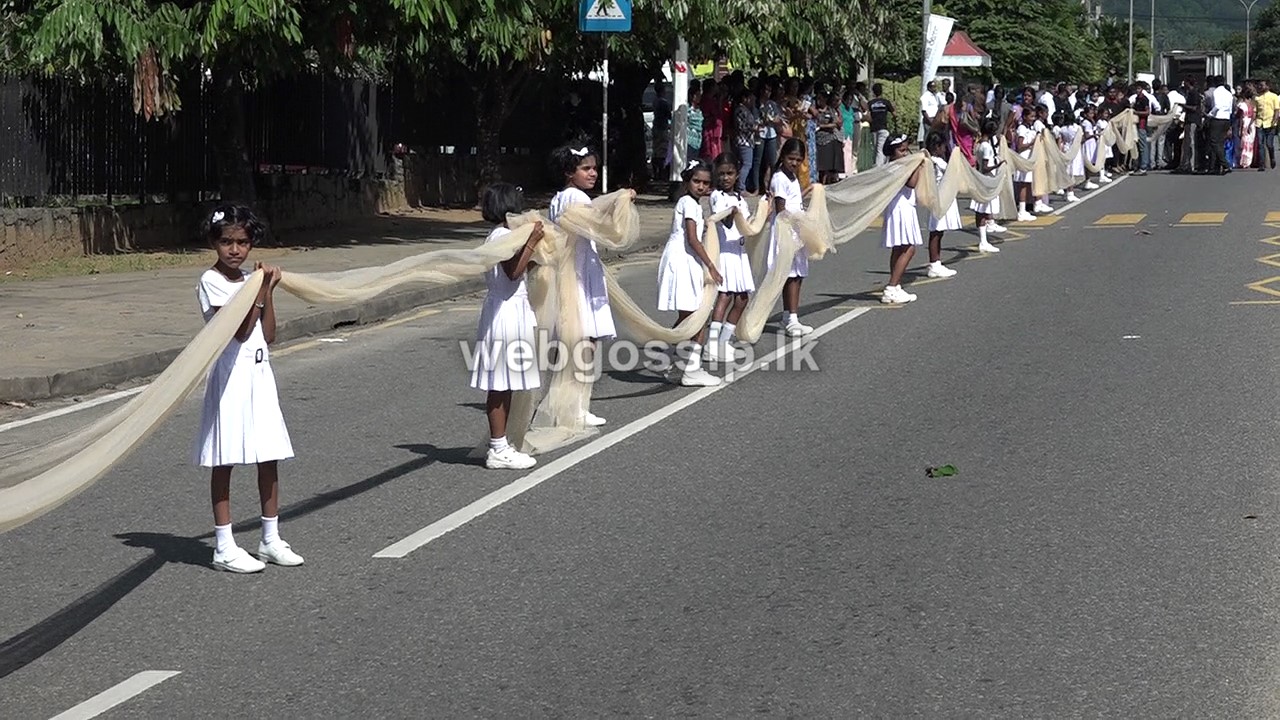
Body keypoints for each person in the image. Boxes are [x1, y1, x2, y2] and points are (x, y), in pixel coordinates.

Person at [194, 205, 302, 574]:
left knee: (268, 456)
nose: (235, 250)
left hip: (259, 376)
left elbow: (266, 334)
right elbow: (239, 331)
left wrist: (267, 291)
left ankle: (270, 538)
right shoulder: (211, 281)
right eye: (227, 242)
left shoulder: (250, 280)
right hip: (231, 379)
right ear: (214, 243)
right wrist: (259, 290)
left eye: (242, 242)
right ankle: (224, 545)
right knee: (224, 460)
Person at [471, 184, 545, 471]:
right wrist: (531, 242)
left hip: (509, 309)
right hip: (506, 312)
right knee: (500, 384)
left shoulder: (500, 234)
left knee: (507, 382)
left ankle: (501, 444)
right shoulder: (502, 236)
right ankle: (498, 447)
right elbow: (512, 272)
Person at [548, 144, 614, 427]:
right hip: (579, 274)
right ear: (569, 172)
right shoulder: (577, 197)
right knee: (586, 340)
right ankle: (576, 406)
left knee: (570, 340)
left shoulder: (558, 198)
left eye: (594, 168)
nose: (593, 173)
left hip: (569, 270)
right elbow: (595, 228)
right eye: (586, 168)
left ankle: (563, 402)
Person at [657, 160, 721, 387]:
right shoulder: (689, 203)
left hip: (684, 258)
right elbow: (692, 239)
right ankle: (691, 369)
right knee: (697, 316)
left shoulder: (690, 203)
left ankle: (671, 356)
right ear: (686, 182)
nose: (701, 186)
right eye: (696, 181)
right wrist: (711, 265)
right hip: (683, 259)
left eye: (706, 183)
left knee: (689, 316)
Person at [708, 152, 755, 361]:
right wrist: (733, 212)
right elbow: (726, 223)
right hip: (725, 251)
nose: (725, 178)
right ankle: (711, 344)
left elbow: (747, 225)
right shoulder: (717, 196)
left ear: (737, 175)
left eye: (730, 173)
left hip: (739, 251)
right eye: (721, 174)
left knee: (742, 298)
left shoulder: (739, 199)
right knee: (724, 296)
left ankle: (723, 341)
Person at [768, 138, 814, 335]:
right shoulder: (780, 178)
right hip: (786, 231)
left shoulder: (792, 177)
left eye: (798, 159)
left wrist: (808, 192)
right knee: (790, 275)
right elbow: (781, 210)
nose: (794, 163)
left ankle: (789, 316)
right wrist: (799, 220)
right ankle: (791, 318)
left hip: (795, 231)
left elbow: (794, 201)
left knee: (797, 274)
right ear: (783, 156)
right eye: (791, 158)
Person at [880, 135, 925, 305]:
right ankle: (891, 287)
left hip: (900, 206)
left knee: (899, 248)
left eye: (906, 150)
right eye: (901, 150)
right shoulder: (898, 167)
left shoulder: (895, 165)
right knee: (909, 248)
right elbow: (911, 183)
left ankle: (896, 284)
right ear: (892, 152)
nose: (905, 153)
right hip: (901, 208)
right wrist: (917, 165)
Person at [924, 132, 959, 279]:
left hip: (941, 198)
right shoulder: (936, 162)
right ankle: (934, 264)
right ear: (937, 147)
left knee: (939, 232)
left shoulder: (933, 160)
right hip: (939, 199)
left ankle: (937, 262)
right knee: (936, 232)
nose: (945, 149)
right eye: (943, 146)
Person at [970, 120, 1004, 254]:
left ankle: (983, 240)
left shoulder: (978, 145)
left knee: (981, 210)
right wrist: (997, 165)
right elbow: (985, 168)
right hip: (986, 179)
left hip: (980, 178)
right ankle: (983, 241)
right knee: (983, 210)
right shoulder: (987, 147)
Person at [814, 93, 844, 183]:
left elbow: (836, 123)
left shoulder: (830, 110)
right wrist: (823, 126)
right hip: (819, 139)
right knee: (821, 165)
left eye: (821, 99)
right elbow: (815, 123)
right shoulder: (815, 110)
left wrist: (822, 126)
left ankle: (828, 181)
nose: (819, 101)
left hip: (829, 139)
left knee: (828, 165)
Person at [1207, 75, 1234, 174]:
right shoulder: (1228, 93)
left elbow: (1217, 106)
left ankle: (1225, 164)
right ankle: (1217, 166)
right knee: (1220, 143)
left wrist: (1210, 114)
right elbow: (1230, 109)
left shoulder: (1216, 92)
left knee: (1214, 142)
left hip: (1218, 118)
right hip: (1226, 118)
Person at [869, 83, 895, 166]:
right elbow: (895, 114)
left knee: (875, 148)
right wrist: (893, 107)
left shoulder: (871, 103)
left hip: (873, 128)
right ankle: (879, 166)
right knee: (881, 149)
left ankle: (877, 164)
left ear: (873, 92)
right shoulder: (886, 102)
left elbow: (868, 114)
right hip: (883, 128)